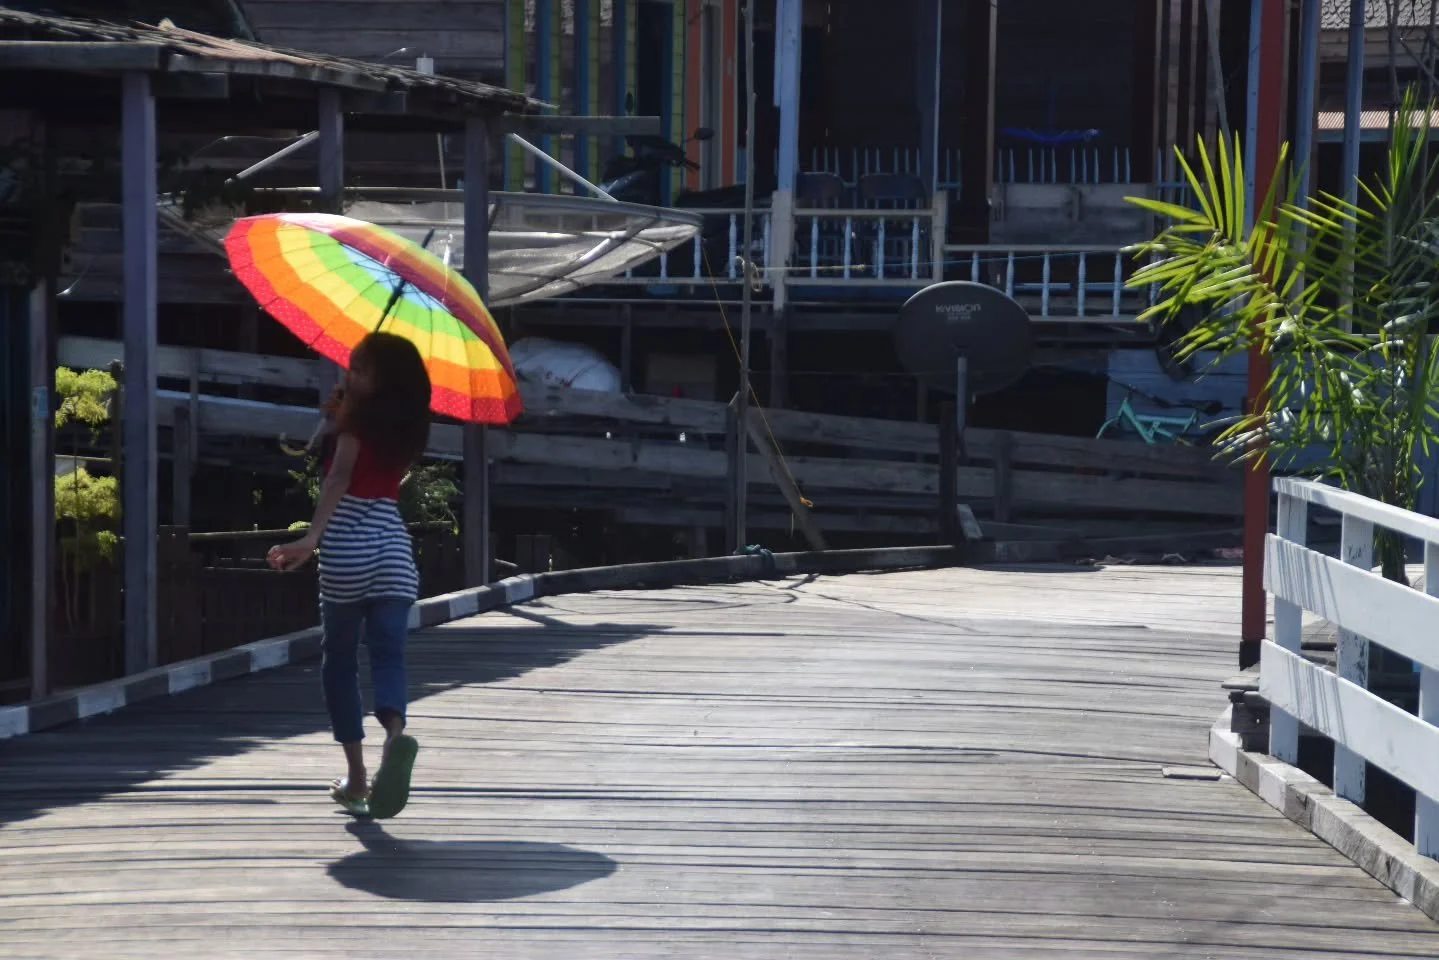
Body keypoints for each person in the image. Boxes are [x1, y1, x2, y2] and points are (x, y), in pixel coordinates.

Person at [267, 331, 431, 819]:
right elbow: (383, 477)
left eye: (360, 370)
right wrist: (338, 419)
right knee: (389, 655)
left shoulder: (353, 429)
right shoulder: (408, 429)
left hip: (347, 553)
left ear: (381, 382)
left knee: (339, 661)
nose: (349, 374)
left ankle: (358, 779)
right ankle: (397, 735)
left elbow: (340, 480)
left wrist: (309, 539)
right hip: (394, 554)